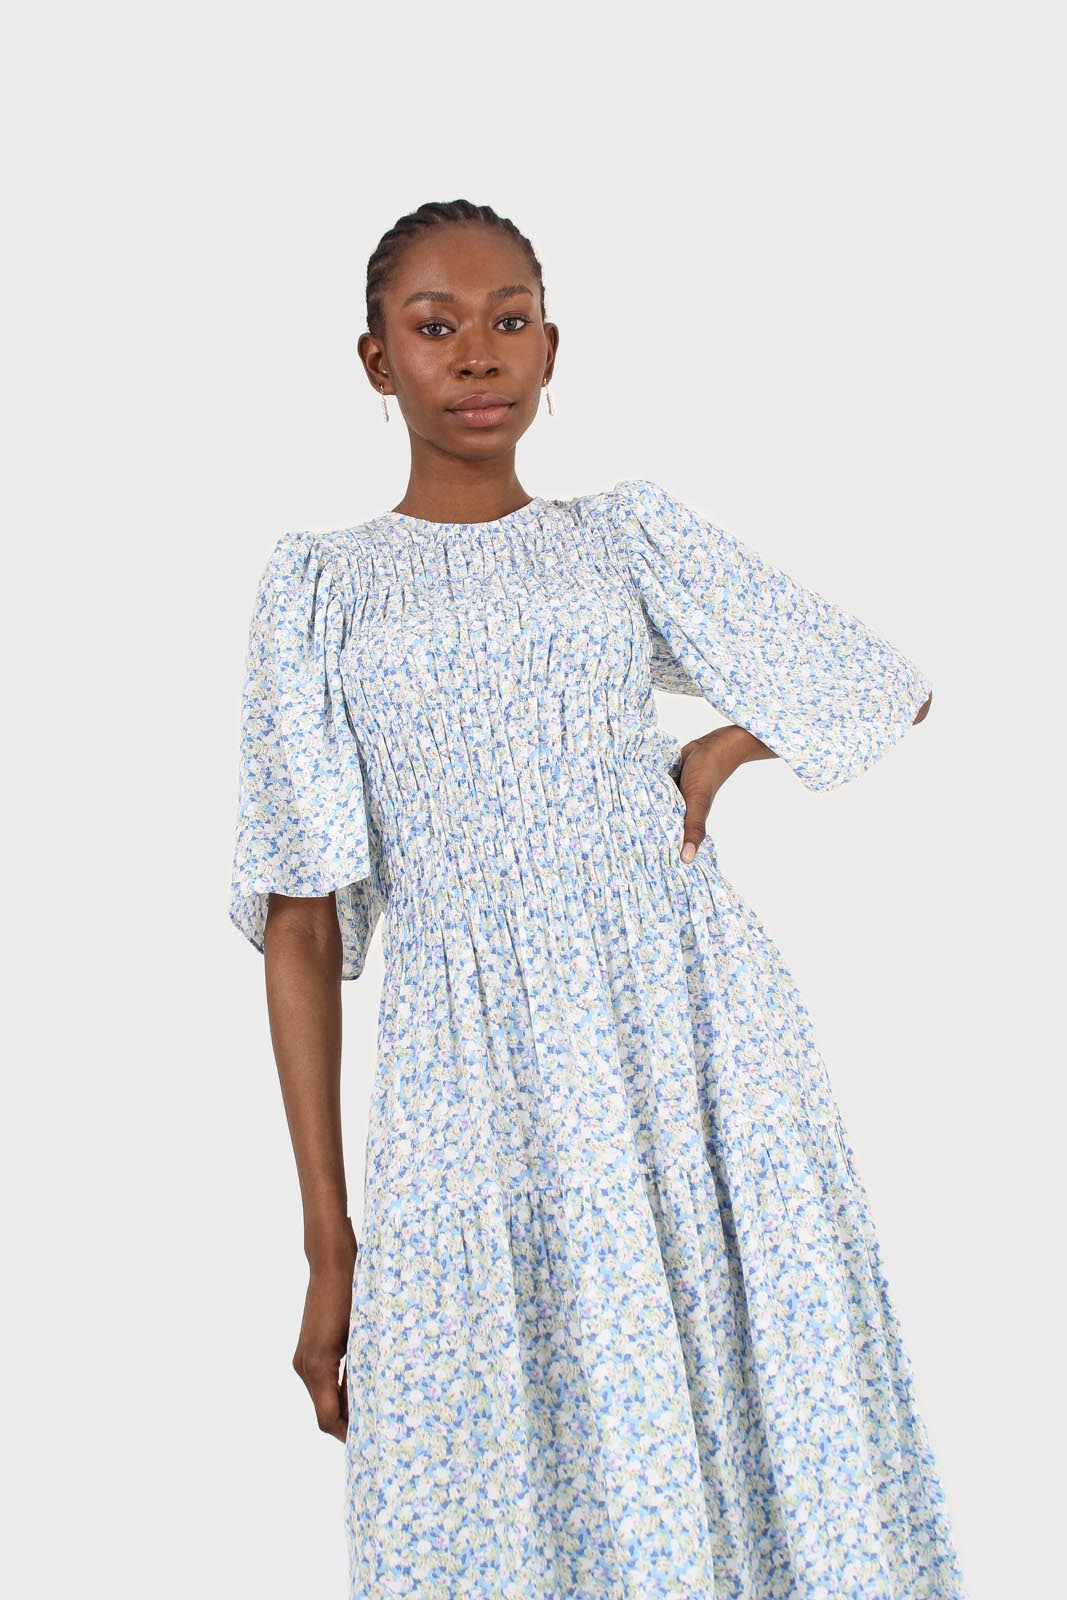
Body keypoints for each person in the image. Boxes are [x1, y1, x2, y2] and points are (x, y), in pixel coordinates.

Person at [228, 198, 968, 1599]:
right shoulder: (321, 588)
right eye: (435, 327)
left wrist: (722, 746)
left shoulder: (622, 536)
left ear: (551, 348)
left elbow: (880, 681)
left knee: (753, 1400)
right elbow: (301, 922)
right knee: (495, 1458)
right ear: (377, 359)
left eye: (509, 322)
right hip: (472, 1079)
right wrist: (330, 1245)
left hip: (689, 1036)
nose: (478, 355)